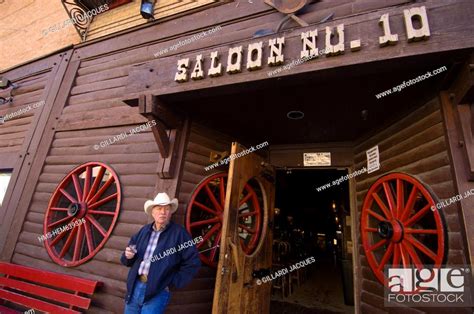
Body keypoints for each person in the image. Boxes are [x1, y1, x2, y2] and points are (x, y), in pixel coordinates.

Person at [121, 192, 201, 313]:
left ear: (170, 213)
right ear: (153, 212)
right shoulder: (143, 231)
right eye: (159, 208)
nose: (163, 212)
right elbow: (127, 258)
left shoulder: (179, 234)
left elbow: (193, 262)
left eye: (167, 209)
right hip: (135, 287)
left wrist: (171, 281)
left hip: (158, 291)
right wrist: (128, 256)